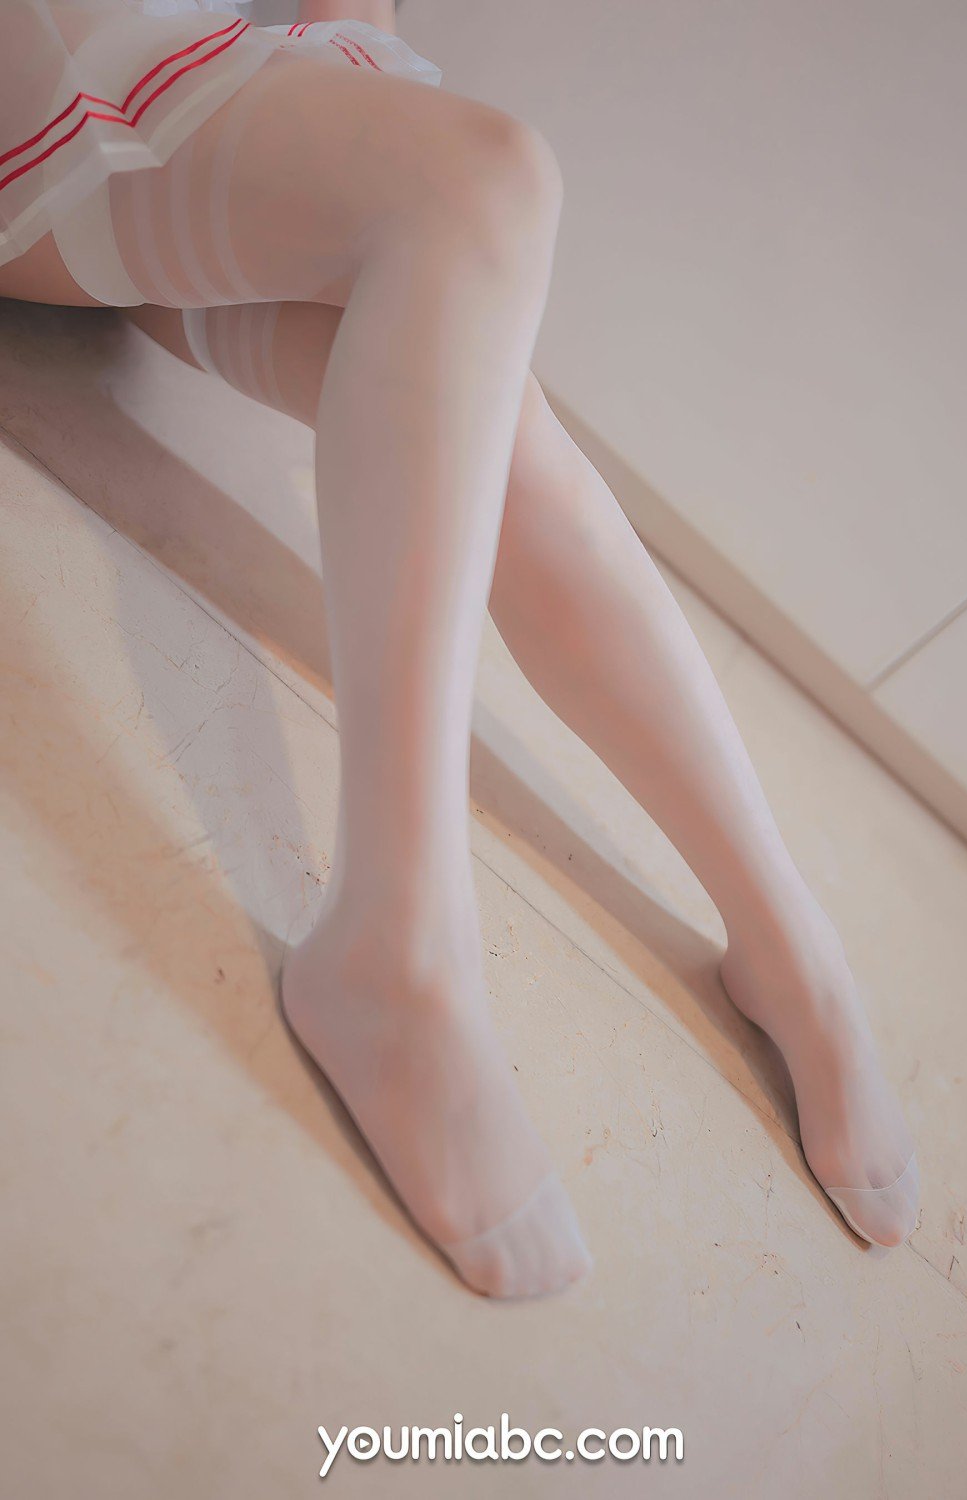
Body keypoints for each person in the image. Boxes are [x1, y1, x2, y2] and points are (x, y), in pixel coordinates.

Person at [0, 0, 919, 1298]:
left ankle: (784, 939)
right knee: (484, 185)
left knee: (487, 373)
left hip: (167, 96)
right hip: (56, 84)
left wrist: (357, 92)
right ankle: (403, 932)